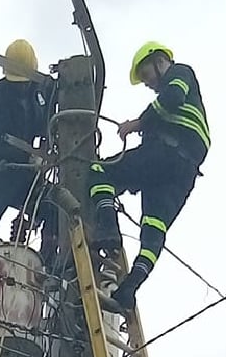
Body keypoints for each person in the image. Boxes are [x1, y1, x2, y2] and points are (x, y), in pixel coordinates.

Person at [89, 41, 210, 311]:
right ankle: (129, 288)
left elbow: (172, 97)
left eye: (146, 75)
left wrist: (137, 124)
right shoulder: (180, 97)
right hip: (183, 174)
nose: (147, 83)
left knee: (99, 172)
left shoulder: (181, 73)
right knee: (154, 228)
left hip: (166, 154)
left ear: (159, 62)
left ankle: (107, 228)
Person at [0, 39, 55, 247]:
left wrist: (54, 91)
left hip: (23, 172)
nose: (22, 85)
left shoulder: (37, 91)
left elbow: (43, 122)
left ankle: (48, 263)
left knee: (54, 208)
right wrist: (27, 156)